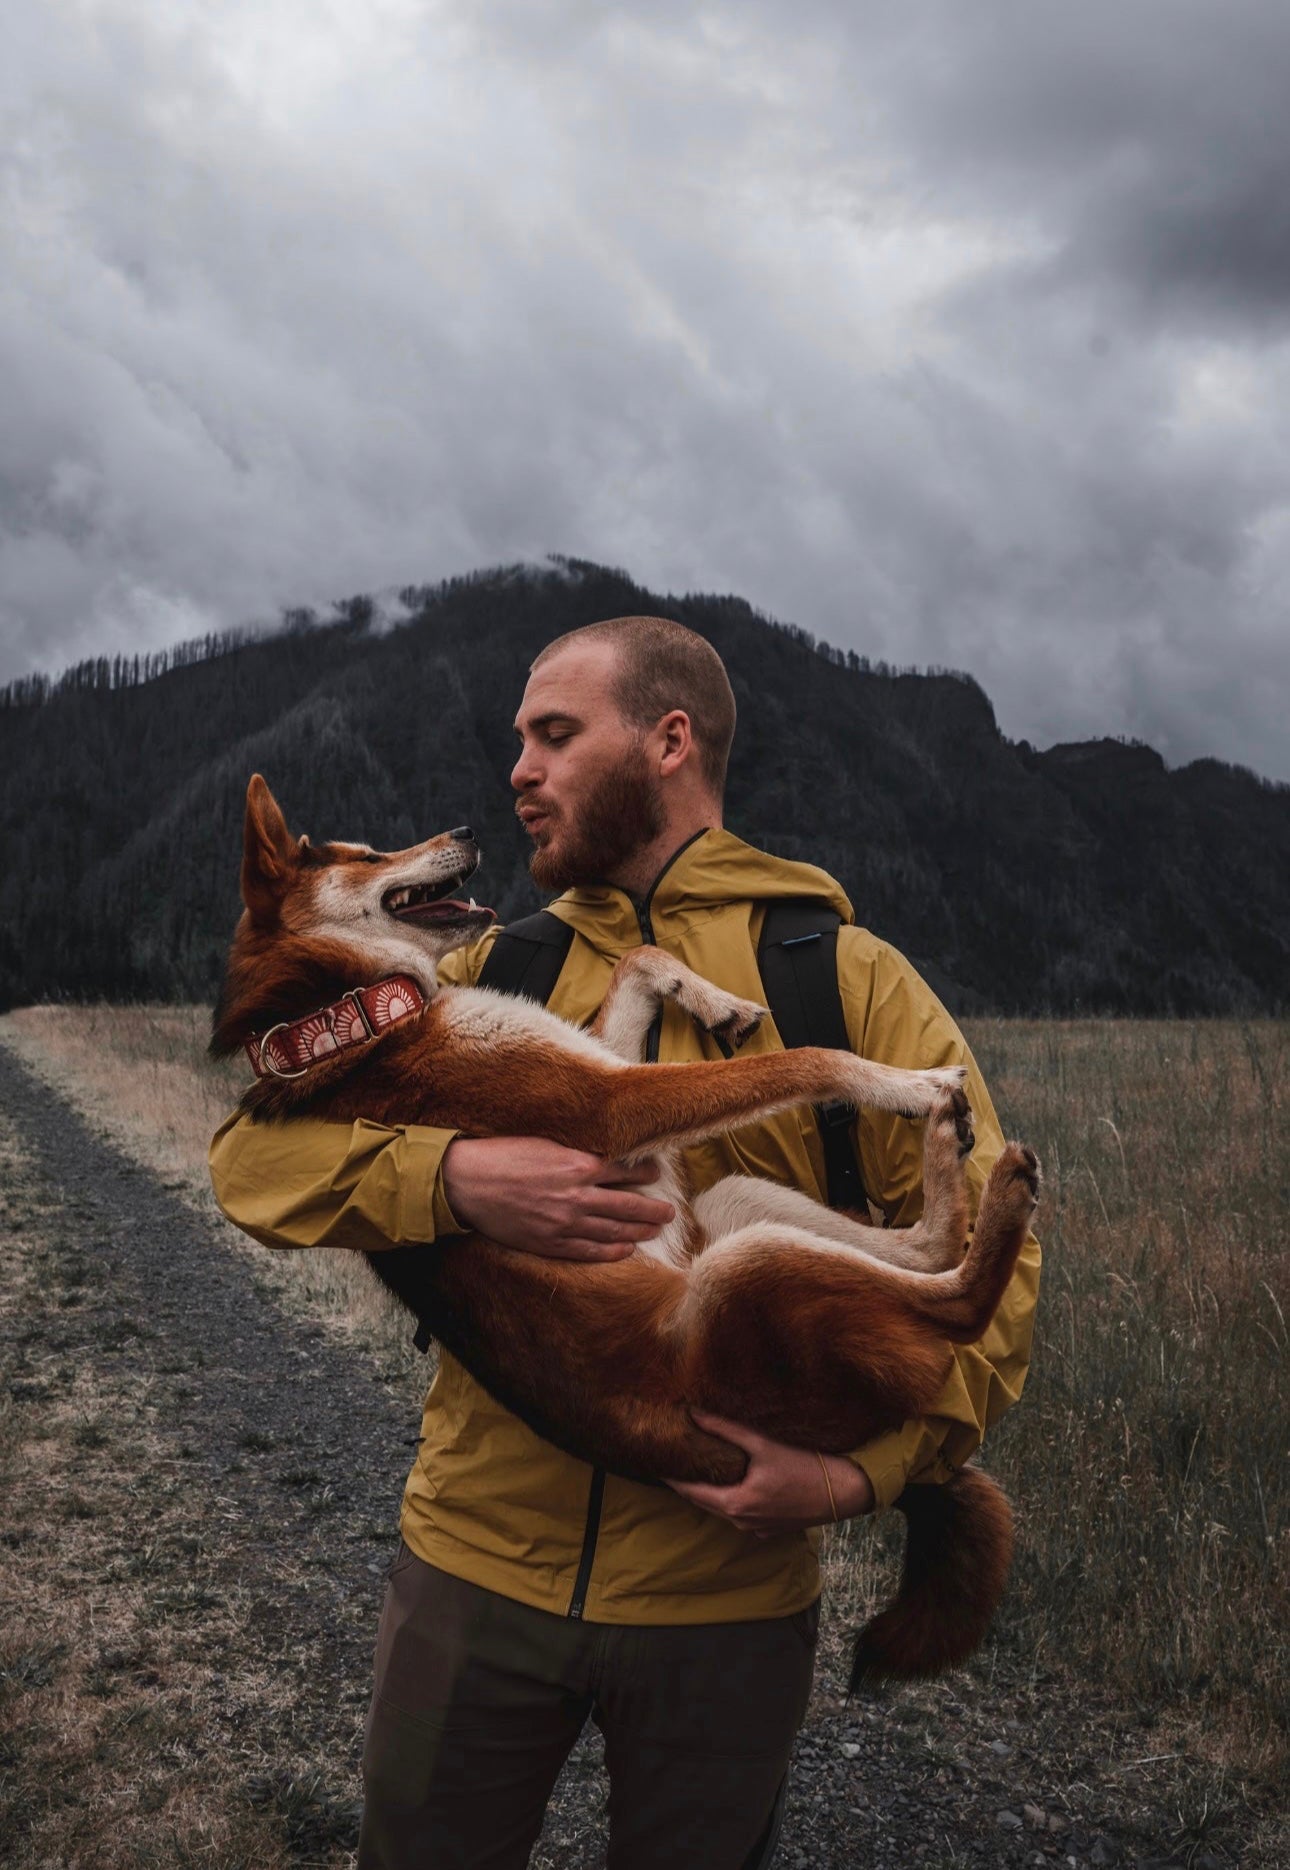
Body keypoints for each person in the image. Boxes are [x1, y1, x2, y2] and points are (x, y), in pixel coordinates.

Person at [209, 615, 1040, 1870]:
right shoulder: (487, 967)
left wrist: (854, 1481)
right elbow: (250, 1165)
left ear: (667, 741)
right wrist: (457, 1177)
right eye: (517, 741)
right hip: (477, 1563)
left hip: (725, 1596)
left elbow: (999, 1280)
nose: (518, 771)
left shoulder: (848, 978)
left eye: (554, 735)